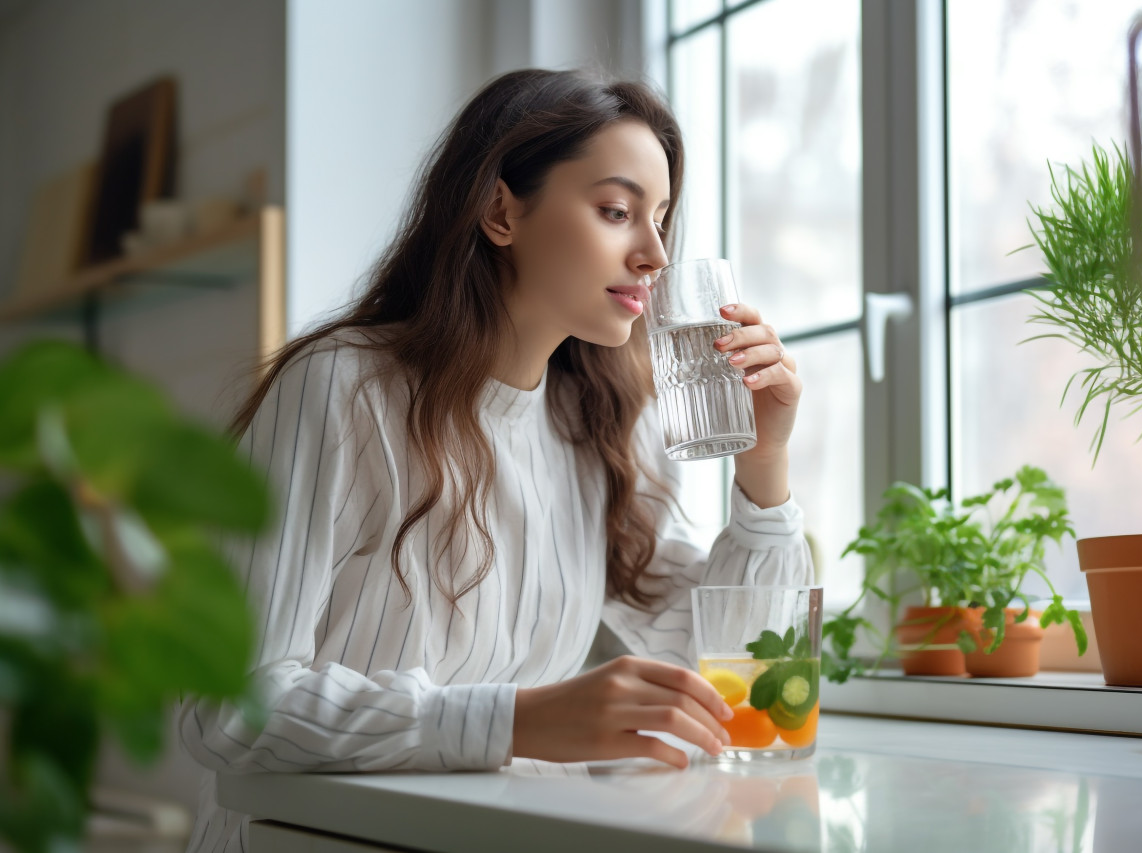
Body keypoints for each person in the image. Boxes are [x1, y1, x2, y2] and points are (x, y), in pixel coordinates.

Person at [178, 68, 812, 852]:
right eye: (617, 211)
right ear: (499, 210)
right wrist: (514, 719)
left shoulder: (601, 423)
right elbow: (225, 707)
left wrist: (765, 465)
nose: (653, 252)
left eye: (661, 219)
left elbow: (742, 665)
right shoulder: (342, 388)